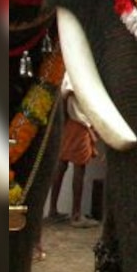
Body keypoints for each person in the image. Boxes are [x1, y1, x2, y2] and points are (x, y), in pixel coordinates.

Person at [46, 84, 99, 228]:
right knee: (78, 167)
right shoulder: (73, 73)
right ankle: (76, 215)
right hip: (79, 123)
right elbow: (66, 93)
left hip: (73, 123)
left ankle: (53, 211)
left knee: (62, 164)